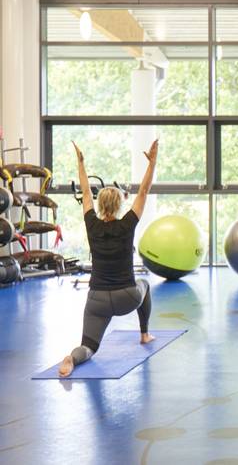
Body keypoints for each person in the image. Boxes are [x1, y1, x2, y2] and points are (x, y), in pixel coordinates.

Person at [58, 140, 159, 377]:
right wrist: (152, 163)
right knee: (145, 285)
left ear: (100, 206)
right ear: (119, 205)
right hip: (127, 297)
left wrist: (81, 164)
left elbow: (84, 192)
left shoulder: (91, 224)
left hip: (97, 300)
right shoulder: (127, 224)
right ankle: (144, 334)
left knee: (88, 347)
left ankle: (72, 358)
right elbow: (144, 191)